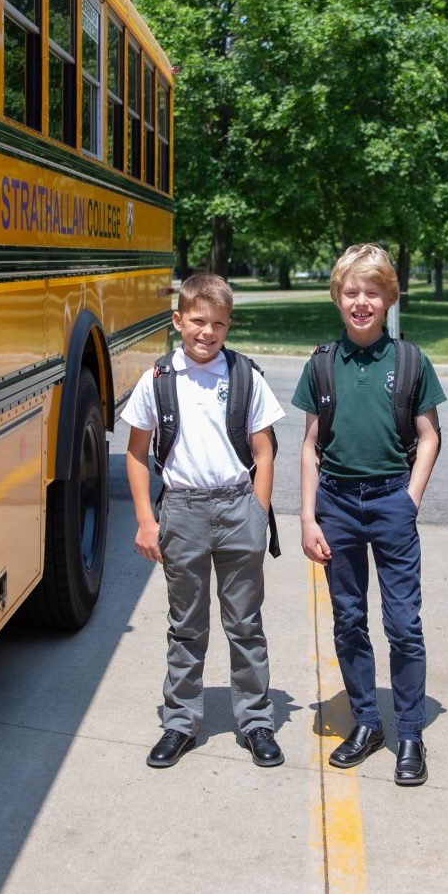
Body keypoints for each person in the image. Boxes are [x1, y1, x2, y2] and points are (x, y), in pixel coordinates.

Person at [293, 244, 445, 786]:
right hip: (335, 504)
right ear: (338, 297)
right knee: (349, 620)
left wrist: (411, 497)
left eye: (372, 292)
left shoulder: (409, 362)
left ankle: (408, 733)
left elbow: (429, 436)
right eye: (352, 292)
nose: (361, 301)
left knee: (403, 624)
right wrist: (308, 517)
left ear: (388, 298)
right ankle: (366, 722)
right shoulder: (321, 364)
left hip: (390, 503)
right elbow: (310, 445)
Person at [122, 272, 287, 769]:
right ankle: (180, 721)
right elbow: (135, 454)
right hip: (183, 511)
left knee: (245, 623)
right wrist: (146, 521)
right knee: (186, 625)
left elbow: (264, 449)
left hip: (238, 508)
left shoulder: (245, 376)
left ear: (228, 325)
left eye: (217, 323)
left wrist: (258, 512)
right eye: (197, 321)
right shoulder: (157, 380)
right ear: (178, 321)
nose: (206, 332)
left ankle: (256, 720)